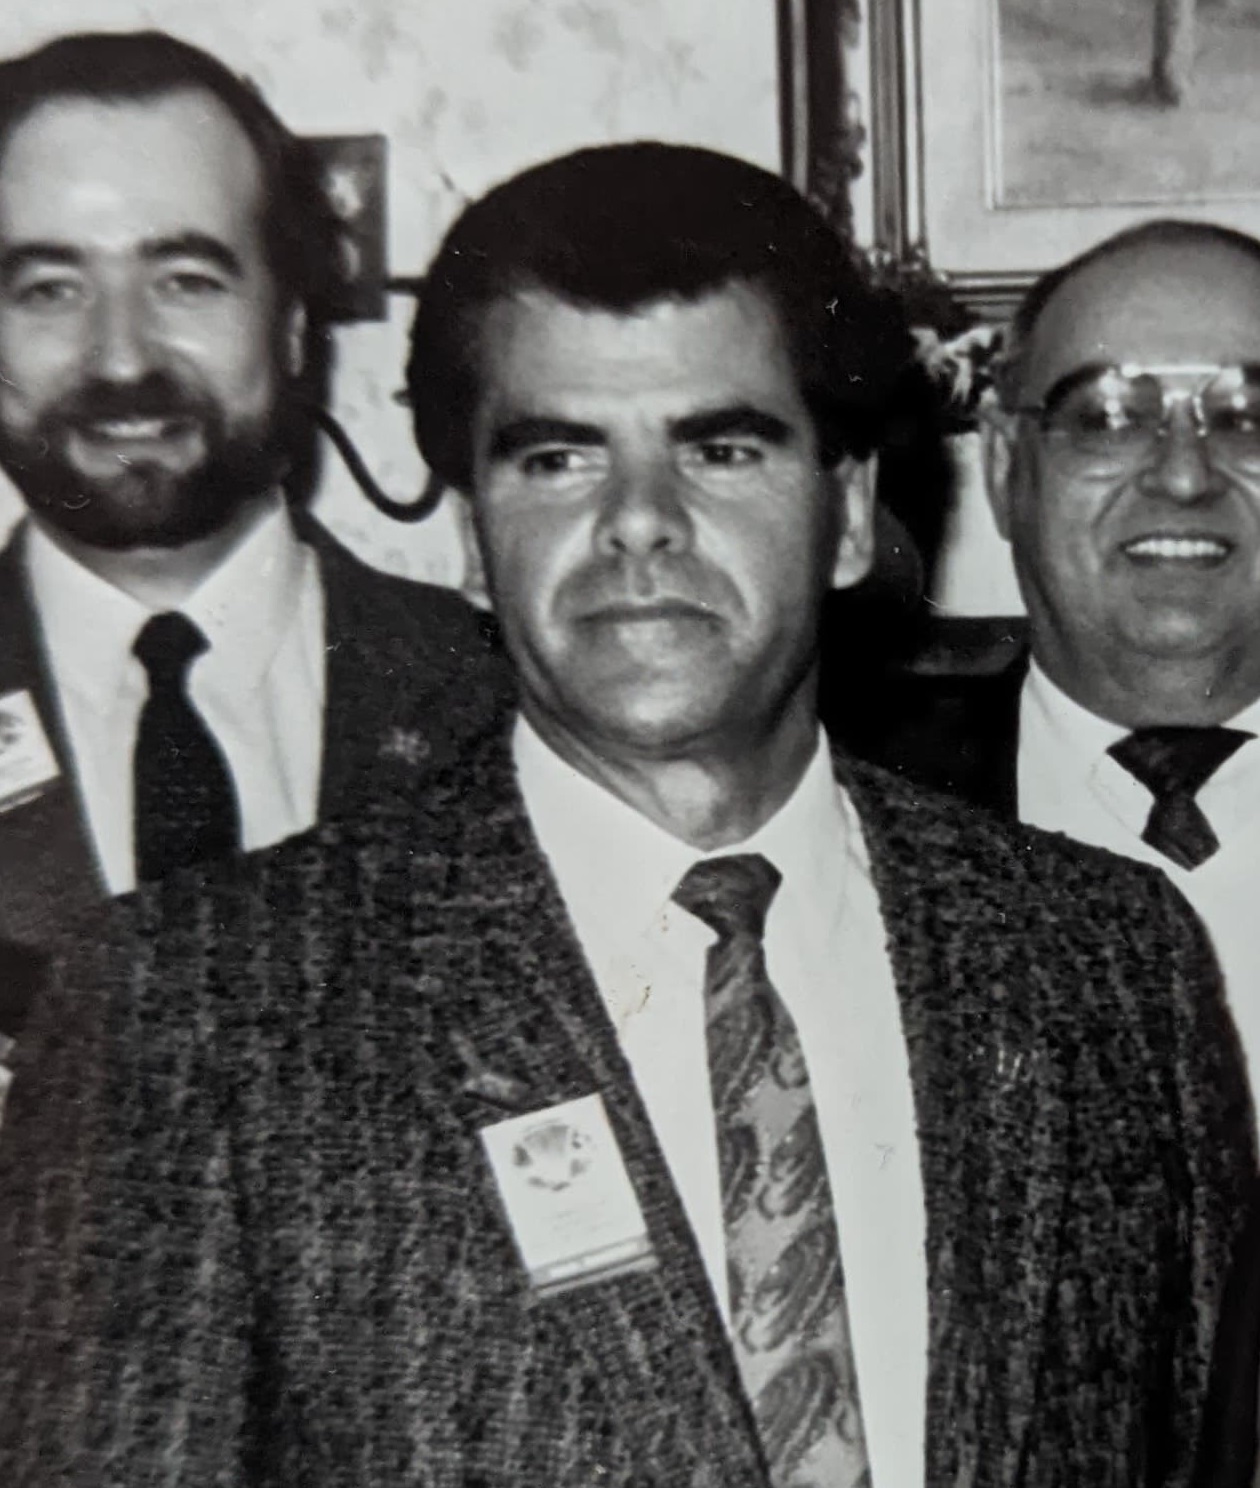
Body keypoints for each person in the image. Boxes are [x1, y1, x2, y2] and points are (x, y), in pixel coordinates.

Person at [1, 145, 1251, 1488]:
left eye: (720, 448)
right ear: (476, 539)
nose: (639, 525)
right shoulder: (200, 1008)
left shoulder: (1108, 967)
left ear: (845, 513)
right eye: (559, 457)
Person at [0, 30, 502, 945]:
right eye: (49, 290)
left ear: (293, 325)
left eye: (187, 282)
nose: (122, 355)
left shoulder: (502, 696)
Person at [858, 219, 1260, 1121]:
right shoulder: (851, 810)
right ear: (1005, 465)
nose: (1185, 477)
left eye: (1248, 417)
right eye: (1109, 417)